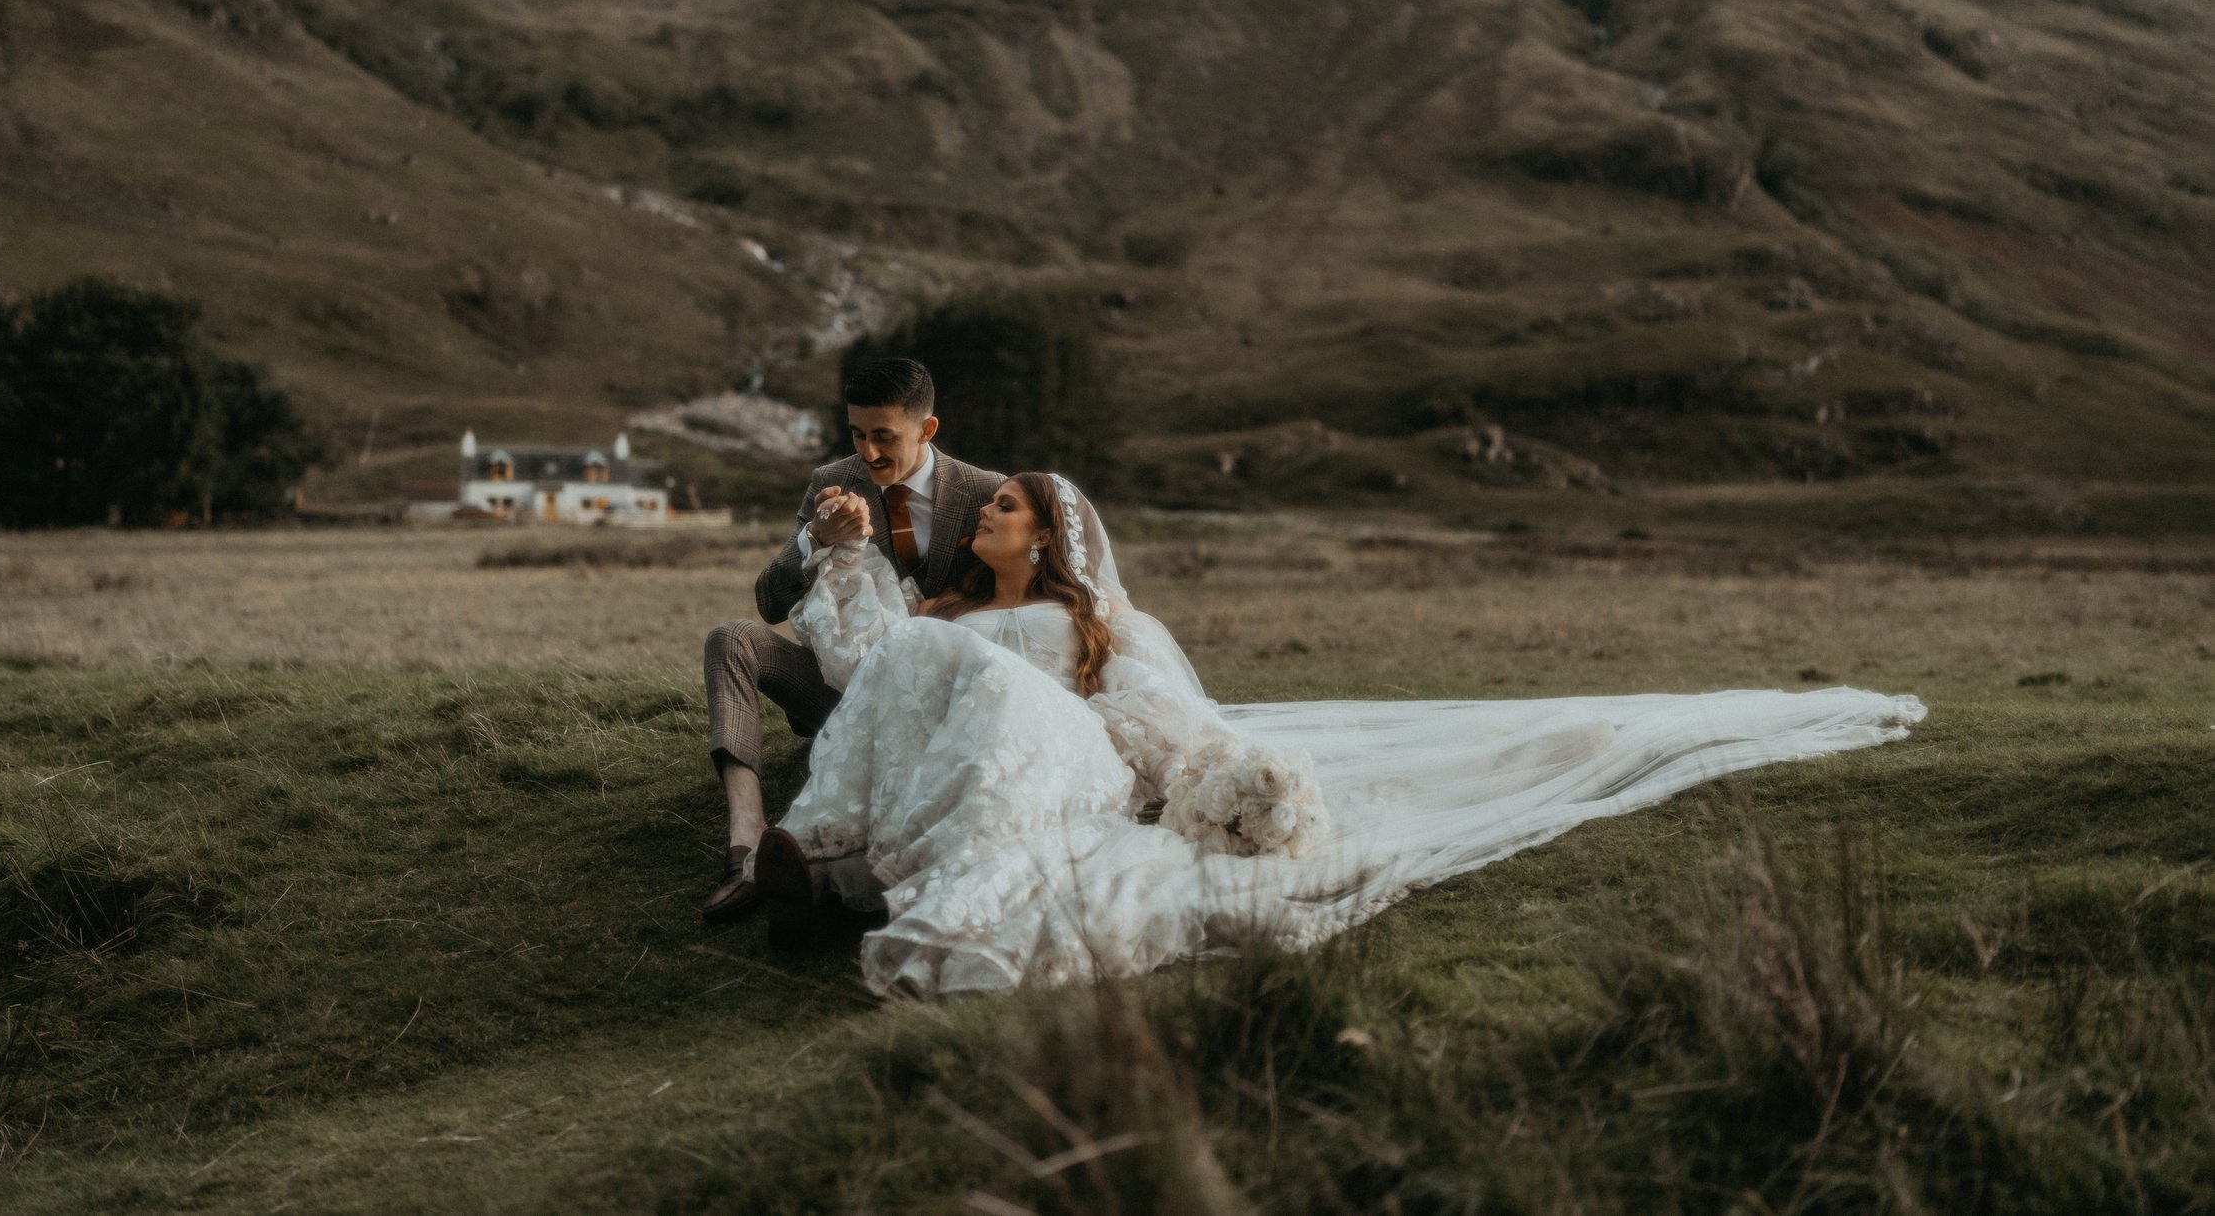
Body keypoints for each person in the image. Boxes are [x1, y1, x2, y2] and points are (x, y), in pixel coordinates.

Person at [742, 472, 1929, 999]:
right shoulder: (946, 612)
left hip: (1079, 751)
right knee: (923, 652)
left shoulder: (1096, 620)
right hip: (943, 744)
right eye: (988, 503)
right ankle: (831, 856)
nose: (985, 511)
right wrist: (843, 552)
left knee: (1004, 700)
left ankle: (856, 876)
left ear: (1049, 536)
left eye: (1004, 505)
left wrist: (1209, 777)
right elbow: (866, 659)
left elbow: (1171, 716)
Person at [700, 358, 1005, 925]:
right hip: (839, 700)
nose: (868, 454)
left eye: (884, 437)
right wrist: (813, 539)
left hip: (938, 714)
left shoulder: (987, 492)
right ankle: (747, 835)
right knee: (731, 639)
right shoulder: (829, 483)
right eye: (858, 435)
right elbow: (770, 603)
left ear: (927, 429)